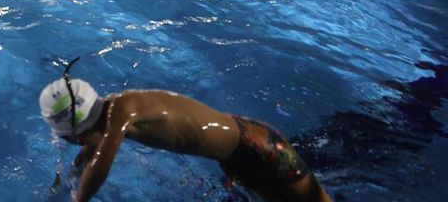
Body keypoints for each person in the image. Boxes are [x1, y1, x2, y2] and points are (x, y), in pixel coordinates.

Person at [38, 68, 332, 202]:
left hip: (258, 144)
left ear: (83, 128)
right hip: (235, 158)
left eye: (72, 139)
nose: (77, 144)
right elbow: (86, 160)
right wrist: (57, 191)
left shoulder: (121, 111)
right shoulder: (106, 121)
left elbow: (101, 163)